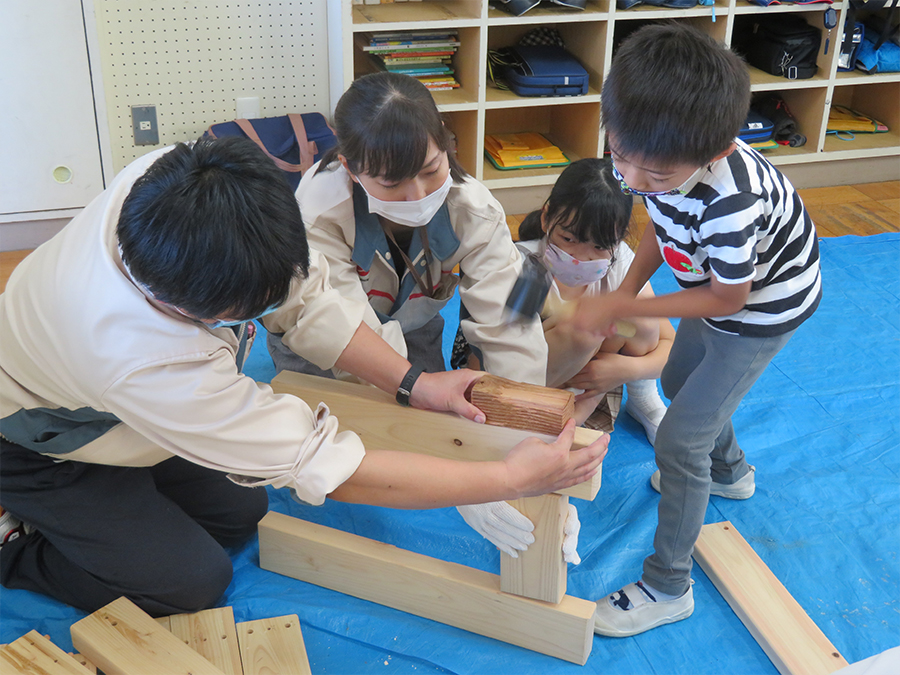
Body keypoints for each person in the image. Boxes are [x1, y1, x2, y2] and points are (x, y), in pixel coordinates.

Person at [0, 137, 607, 617]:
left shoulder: (182, 182)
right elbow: (324, 463)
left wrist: (413, 383)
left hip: (119, 407)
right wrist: (497, 476)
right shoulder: (140, 358)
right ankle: (15, 546)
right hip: (43, 441)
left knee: (238, 516)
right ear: (193, 309)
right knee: (191, 582)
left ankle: (111, 508)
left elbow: (307, 300)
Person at [568, 24, 822, 637]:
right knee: (682, 377)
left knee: (680, 442)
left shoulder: (731, 204)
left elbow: (728, 296)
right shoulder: (657, 165)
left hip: (761, 312)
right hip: (717, 286)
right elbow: (661, 222)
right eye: (618, 152)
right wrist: (626, 294)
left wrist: (628, 312)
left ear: (713, 151)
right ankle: (730, 473)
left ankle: (667, 585)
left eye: (652, 173)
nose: (629, 177)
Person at [266, 71, 560, 562]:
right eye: (392, 183)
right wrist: (469, 480)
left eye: (430, 169)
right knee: (333, 443)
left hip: (416, 323)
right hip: (324, 346)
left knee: (437, 413)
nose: (417, 193)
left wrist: (530, 429)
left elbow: (511, 322)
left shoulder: (474, 206)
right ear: (350, 168)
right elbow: (340, 331)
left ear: (447, 146)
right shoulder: (316, 212)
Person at [515, 158, 674, 442]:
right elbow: (494, 366)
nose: (582, 257)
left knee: (638, 320)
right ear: (546, 217)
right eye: (569, 239)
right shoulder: (524, 268)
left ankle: (643, 399)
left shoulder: (620, 261)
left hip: (591, 381)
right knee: (586, 332)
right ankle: (559, 430)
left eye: (601, 246)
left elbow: (667, 345)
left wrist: (624, 370)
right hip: (532, 381)